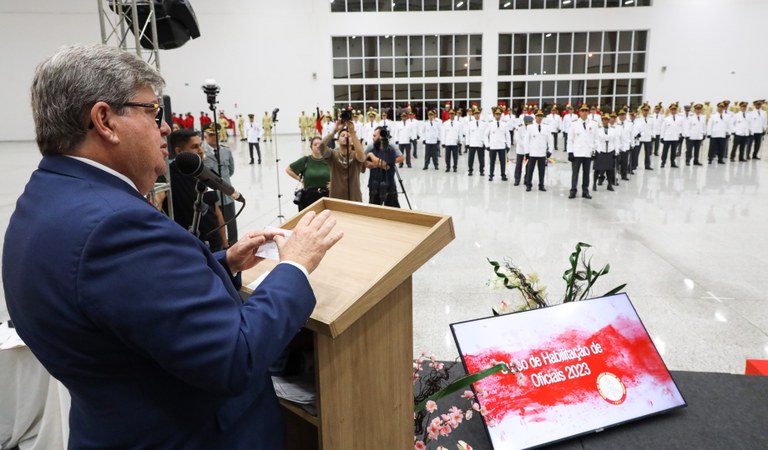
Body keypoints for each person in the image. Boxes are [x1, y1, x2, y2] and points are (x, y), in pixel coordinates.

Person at [2, 43, 343, 449]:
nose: (165, 127)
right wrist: (296, 266)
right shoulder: (115, 225)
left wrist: (223, 261)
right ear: (104, 120)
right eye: (153, 112)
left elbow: (124, 296)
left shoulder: (45, 197)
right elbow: (235, 357)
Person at [160, 128, 227, 252]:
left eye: (200, 145)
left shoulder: (207, 173)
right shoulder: (168, 176)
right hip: (190, 250)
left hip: (216, 247)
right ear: (179, 151)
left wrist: (225, 244)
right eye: (195, 147)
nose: (201, 150)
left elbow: (216, 211)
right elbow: (156, 206)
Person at [203, 125, 238, 247]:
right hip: (213, 197)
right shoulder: (202, 152)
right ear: (205, 136)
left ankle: (234, 246)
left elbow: (231, 170)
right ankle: (220, 247)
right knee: (215, 224)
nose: (215, 137)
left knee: (231, 224)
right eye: (211, 135)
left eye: (216, 134)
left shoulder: (226, 151)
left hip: (227, 194)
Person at [321, 119, 366, 201]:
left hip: (355, 198)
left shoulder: (356, 155)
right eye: (342, 135)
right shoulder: (333, 155)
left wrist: (352, 133)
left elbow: (362, 156)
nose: (346, 136)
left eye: (348, 136)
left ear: (352, 141)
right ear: (337, 140)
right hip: (336, 198)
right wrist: (334, 131)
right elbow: (321, 147)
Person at [286, 136, 331, 210]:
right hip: (308, 198)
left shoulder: (329, 160)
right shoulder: (305, 160)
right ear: (311, 147)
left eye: (320, 144)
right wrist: (300, 179)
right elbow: (288, 169)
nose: (318, 146)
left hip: (326, 196)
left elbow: (339, 173)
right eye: (315, 144)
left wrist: (334, 183)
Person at [365, 127, 404, 207]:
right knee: (374, 210)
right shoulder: (370, 147)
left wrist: (389, 162)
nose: (373, 138)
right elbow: (363, 161)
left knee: (392, 209)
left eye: (375, 136)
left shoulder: (391, 148)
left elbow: (387, 164)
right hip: (374, 183)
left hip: (389, 183)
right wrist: (374, 164)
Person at [568, 104, 598, 199]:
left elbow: (596, 138)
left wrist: (595, 151)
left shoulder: (594, 124)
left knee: (586, 173)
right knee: (575, 173)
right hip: (577, 153)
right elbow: (570, 139)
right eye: (582, 111)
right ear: (579, 112)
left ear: (588, 112)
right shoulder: (574, 124)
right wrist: (570, 152)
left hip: (587, 152)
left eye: (586, 111)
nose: (584, 112)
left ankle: (585, 191)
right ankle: (573, 190)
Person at [524, 110, 553, 192]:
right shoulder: (530, 127)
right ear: (535, 117)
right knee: (530, 170)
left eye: (541, 116)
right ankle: (528, 185)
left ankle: (541, 185)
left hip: (542, 152)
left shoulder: (546, 127)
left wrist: (550, 150)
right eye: (538, 116)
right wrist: (527, 152)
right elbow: (526, 140)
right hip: (532, 152)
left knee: (542, 170)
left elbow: (550, 140)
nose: (540, 117)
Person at [594, 115, 620, 191]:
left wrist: (616, 151)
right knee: (597, 169)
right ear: (602, 120)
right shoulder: (598, 129)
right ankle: (594, 184)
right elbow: (595, 140)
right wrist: (595, 150)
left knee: (610, 169)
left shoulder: (613, 130)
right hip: (600, 150)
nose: (605, 121)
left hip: (610, 150)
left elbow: (616, 140)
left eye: (607, 120)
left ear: (609, 121)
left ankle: (609, 185)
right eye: (604, 120)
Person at [484, 108, 511, 182]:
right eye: (496, 114)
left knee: (503, 162)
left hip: (502, 146)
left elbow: (508, 135)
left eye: (499, 114)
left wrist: (508, 145)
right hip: (493, 146)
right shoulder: (490, 124)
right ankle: (491, 175)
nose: (498, 116)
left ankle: (503, 175)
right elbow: (485, 135)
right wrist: (487, 145)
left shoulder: (504, 124)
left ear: (501, 115)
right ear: (494, 115)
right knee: (492, 162)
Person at [660, 103, 682, 168]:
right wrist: (662, 137)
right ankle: (663, 162)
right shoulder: (666, 119)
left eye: (674, 109)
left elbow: (680, 128)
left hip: (675, 137)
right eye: (672, 109)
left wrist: (680, 135)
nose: (673, 111)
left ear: (676, 110)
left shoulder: (679, 119)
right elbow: (663, 129)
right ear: (670, 110)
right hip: (667, 137)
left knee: (674, 151)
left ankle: (673, 162)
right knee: (665, 151)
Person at [633, 104, 655, 170]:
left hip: (648, 138)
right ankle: (635, 165)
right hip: (640, 138)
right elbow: (636, 128)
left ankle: (647, 165)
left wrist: (652, 135)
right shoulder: (638, 119)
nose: (645, 112)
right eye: (644, 110)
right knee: (636, 152)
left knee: (648, 153)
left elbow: (653, 128)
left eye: (647, 110)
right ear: (642, 111)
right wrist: (636, 135)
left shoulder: (651, 119)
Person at [466, 108, 487, 176]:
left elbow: (485, 134)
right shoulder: (470, 123)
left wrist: (485, 143)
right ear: (473, 115)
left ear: (479, 114)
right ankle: (470, 170)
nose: (477, 115)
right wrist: (467, 143)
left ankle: (481, 170)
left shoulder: (483, 124)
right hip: (472, 143)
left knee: (481, 158)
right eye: (475, 114)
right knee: (471, 158)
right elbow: (468, 134)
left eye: (478, 114)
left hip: (480, 143)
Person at [512, 115, 531, 185]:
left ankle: (527, 179)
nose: (530, 124)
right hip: (520, 149)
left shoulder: (531, 127)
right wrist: (525, 145)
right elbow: (517, 139)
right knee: (518, 165)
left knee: (528, 165)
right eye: (529, 122)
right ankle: (517, 179)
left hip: (528, 150)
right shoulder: (519, 127)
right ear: (525, 122)